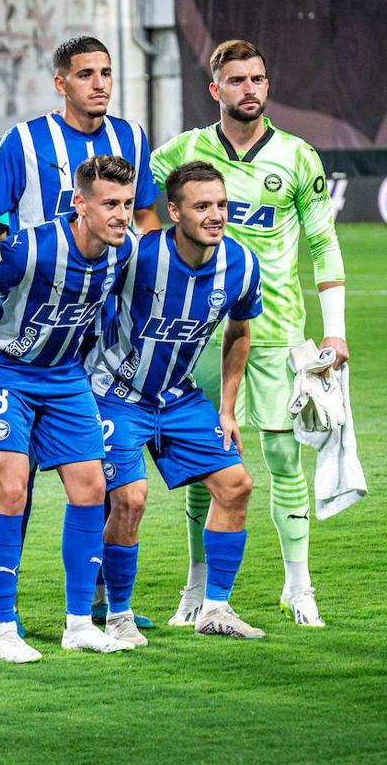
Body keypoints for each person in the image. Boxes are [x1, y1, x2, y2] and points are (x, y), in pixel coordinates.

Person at [0, 35, 161, 630]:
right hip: (26, 318)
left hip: (93, 337)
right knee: (14, 481)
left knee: (101, 477)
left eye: (106, 73)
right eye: (85, 74)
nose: (99, 83)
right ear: (61, 83)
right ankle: (7, 613)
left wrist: (139, 262)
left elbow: (145, 211)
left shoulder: (131, 139)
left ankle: (103, 604)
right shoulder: (24, 141)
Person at [150, 39, 347, 628]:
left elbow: (323, 243)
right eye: (236, 80)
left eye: (257, 78)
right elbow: (132, 194)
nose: (250, 89)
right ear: (216, 89)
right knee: (202, 459)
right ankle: (195, 587)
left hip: (280, 332)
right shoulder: (185, 150)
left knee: (285, 457)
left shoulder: (296, 156)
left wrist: (333, 334)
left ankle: (299, 586)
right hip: (199, 333)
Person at [0, 155, 138, 662]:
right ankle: (2, 628)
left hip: (63, 376)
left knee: (91, 487)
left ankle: (79, 623)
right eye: (109, 205)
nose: (121, 215)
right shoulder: (29, 248)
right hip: (3, 371)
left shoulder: (123, 252)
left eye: (126, 204)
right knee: (11, 489)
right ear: (79, 204)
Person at [89, 161, 265, 643]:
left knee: (236, 485)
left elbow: (239, 331)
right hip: (115, 395)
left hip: (178, 398)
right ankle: (118, 615)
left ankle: (215, 610)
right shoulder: (138, 255)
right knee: (129, 498)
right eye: (202, 206)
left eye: (222, 205)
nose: (216, 215)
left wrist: (227, 409)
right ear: (173, 211)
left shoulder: (242, 265)